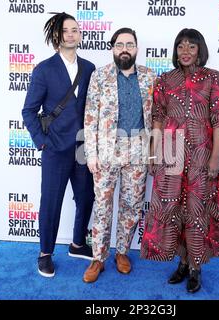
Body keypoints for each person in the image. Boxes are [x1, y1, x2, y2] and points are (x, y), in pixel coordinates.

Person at [140, 28, 219, 293]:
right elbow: (157, 119)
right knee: (172, 212)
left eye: (191, 47)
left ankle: (196, 267)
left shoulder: (214, 79)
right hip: (170, 156)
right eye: (181, 46)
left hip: (200, 157)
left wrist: (215, 158)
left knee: (196, 213)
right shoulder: (164, 80)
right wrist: (152, 153)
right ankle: (182, 263)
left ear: (200, 50)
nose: (185, 52)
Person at [22, 12, 95, 278]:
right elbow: (29, 111)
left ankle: (77, 243)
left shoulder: (89, 68)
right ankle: (45, 253)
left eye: (75, 29)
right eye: (66, 30)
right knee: (51, 201)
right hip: (54, 147)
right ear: (57, 36)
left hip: (83, 148)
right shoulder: (44, 69)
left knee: (87, 196)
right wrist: (41, 142)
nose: (72, 34)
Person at [82, 27, 156, 283]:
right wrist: (90, 153)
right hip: (106, 152)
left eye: (130, 44)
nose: (125, 49)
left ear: (136, 48)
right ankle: (98, 258)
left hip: (137, 150)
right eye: (120, 44)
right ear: (113, 48)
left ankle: (122, 252)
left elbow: (155, 117)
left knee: (132, 206)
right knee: (102, 206)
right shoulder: (99, 76)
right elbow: (90, 117)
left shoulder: (149, 77)